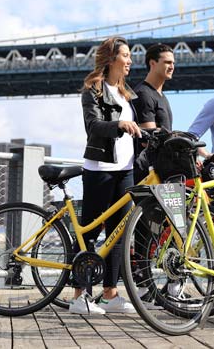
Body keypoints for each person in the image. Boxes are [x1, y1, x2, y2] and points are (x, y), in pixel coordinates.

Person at [72, 36, 141, 315]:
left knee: (118, 234)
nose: (130, 61)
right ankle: (79, 296)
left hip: (126, 170)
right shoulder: (93, 90)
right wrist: (119, 124)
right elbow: (93, 125)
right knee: (89, 232)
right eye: (125, 55)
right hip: (100, 169)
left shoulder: (127, 93)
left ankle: (110, 294)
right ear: (111, 59)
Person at [131, 43, 175, 182]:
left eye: (173, 63)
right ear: (152, 63)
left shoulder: (161, 95)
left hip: (162, 169)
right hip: (148, 173)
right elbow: (150, 140)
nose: (172, 66)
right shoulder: (143, 94)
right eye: (167, 62)